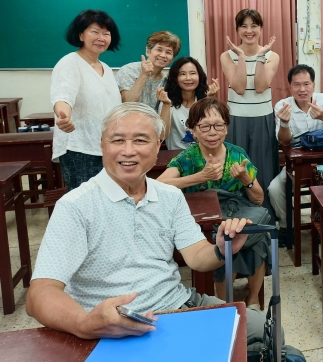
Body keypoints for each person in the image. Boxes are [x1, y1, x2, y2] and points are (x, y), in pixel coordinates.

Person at [26, 103, 268, 345]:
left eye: (140, 140)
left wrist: (222, 248)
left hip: (176, 307)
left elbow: (196, 255)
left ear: (157, 146)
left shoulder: (170, 196)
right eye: (117, 140)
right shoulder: (76, 206)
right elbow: (39, 294)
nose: (128, 151)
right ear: (102, 145)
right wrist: (85, 323)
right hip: (110, 326)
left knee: (265, 329)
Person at [158, 97, 270, 310]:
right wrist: (200, 177)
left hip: (236, 214)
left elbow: (258, 199)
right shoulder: (187, 158)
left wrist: (245, 178)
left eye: (219, 125)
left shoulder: (237, 154)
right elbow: (159, 185)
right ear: (193, 130)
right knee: (226, 238)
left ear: (226, 128)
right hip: (204, 223)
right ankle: (227, 302)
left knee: (255, 237)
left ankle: (253, 299)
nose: (212, 132)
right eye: (205, 126)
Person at [268, 64, 323, 245]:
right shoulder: (282, 105)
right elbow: (284, 141)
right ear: (290, 86)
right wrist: (284, 123)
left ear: (313, 85)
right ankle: (287, 226)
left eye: (306, 84)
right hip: (297, 164)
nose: (302, 89)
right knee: (274, 188)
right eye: (297, 85)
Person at [51, 9, 122, 191]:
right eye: (95, 32)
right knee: (86, 201)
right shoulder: (70, 63)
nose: (101, 38)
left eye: (106, 33)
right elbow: (63, 97)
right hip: (80, 149)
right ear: (81, 35)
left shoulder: (106, 68)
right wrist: (64, 116)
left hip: (106, 147)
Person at [220, 9, 280, 217]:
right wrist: (242, 57)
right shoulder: (227, 56)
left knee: (263, 167)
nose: (249, 30)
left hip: (263, 118)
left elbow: (261, 86)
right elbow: (239, 87)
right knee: (236, 168)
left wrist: (260, 57)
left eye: (254, 26)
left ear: (261, 29)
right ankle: (236, 215)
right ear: (237, 30)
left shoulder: (272, 56)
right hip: (236, 119)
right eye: (244, 26)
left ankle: (265, 217)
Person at [160, 57, 219, 150]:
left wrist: (210, 99)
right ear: (175, 78)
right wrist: (166, 105)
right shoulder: (167, 102)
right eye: (182, 74)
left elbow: (211, 131)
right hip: (177, 155)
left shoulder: (205, 99)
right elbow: (162, 136)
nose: (188, 78)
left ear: (199, 76)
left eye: (192, 73)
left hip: (203, 153)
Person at [116, 31, 181, 110]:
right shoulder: (129, 70)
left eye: (168, 52)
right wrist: (144, 74)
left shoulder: (166, 82)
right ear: (148, 52)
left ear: (172, 59)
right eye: (159, 50)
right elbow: (127, 104)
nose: (163, 55)